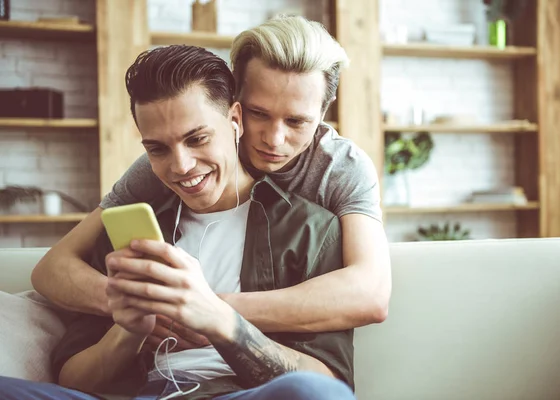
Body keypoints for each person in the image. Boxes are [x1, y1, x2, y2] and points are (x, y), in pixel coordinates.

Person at [0, 45, 354, 400]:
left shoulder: (310, 230)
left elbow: (330, 384)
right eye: (158, 149)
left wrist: (223, 323)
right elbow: (73, 381)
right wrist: (129, 331)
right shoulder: (129, 234)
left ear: (235, 121)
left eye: (197, 139)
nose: (181, 166)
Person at [31, 15, 391, 352]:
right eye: (258, 113)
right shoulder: (179, 159)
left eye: (297, 121)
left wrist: (211, 311)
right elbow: (53, 267)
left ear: (323, 114)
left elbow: (370, 294)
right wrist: (142, 308)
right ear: (234, 108)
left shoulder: (340, 167)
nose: (274, 139)